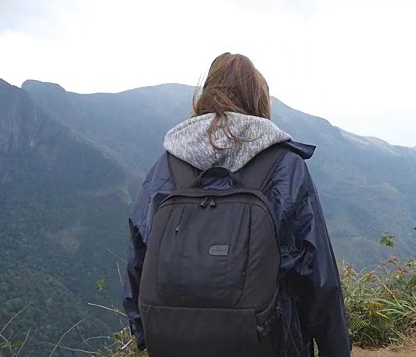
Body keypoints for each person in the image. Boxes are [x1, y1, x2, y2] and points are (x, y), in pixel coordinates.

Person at [122, 52, 351, 357]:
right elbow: (318, 271)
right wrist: (336, 348)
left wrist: (145, 332)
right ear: (259, 98)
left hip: (176, 341)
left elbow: (140, 253)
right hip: (271, 341)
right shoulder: (285, 165)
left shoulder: (167, 166)